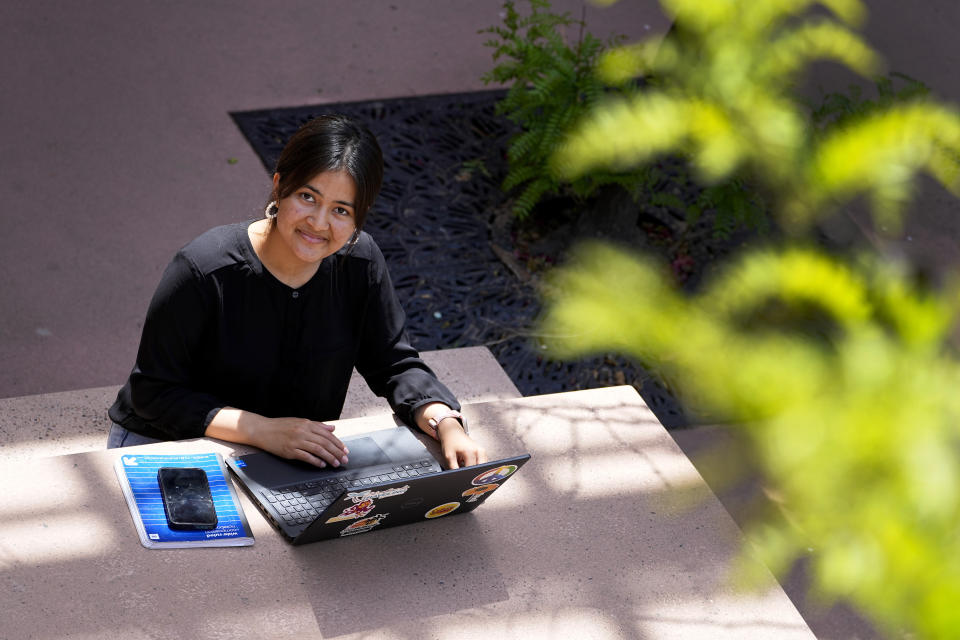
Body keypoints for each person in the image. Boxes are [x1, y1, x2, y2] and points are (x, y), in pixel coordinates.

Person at [107, 114, 487, 470]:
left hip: (288, 454)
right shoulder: (204, 268)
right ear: (279, 187)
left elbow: (393, 362)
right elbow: (153, 392)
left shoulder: (360, 261)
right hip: (170, 440)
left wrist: (444, 421)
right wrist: (262, 430)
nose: (318, 223)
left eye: (341, 210)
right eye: (308, 197)